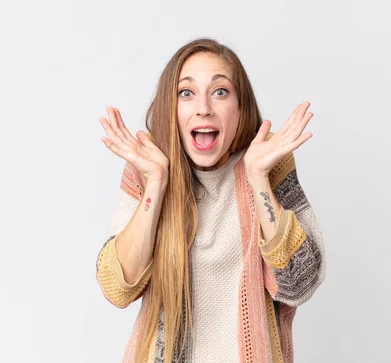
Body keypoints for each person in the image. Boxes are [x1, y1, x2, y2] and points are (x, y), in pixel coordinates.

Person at [95, 38, 326, 363]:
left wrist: (258, 177)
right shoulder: (147, 167)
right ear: (171, 108)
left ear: (240, 107)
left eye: (220, 91)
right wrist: (156, 183)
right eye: (186, 93)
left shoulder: (269, 163)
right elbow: (118, 288)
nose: (203, 107)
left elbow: (299, 283)